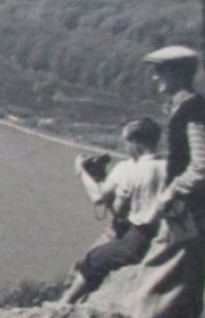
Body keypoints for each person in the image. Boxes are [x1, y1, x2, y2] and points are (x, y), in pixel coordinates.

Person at [101, 45, 205, 318]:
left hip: (186, 209)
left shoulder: (192, 110)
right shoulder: (187, 107)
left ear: (178, 73)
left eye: (160, 70)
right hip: (197, 208)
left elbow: (203, 164)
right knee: (188, 274)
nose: (155, 77)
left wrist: (171, 193)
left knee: (156, 267)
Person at [60, 117, 166, 305]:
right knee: (95, 260)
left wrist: (82, 172)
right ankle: (73, 301)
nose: (125, 147)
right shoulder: (168, 166)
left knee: (93, 260)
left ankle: (65, 303)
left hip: (137, 234)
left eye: (126, 142)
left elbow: (102, 200)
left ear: (136, 142)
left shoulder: (131, 169)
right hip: (161, 233)